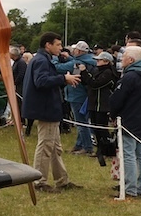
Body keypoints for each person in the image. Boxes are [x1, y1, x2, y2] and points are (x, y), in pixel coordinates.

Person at [22, 31, 83, 193]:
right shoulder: (42, 60)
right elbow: (41, 81)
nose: (60, 47)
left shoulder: (42, 59)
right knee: (46, 146)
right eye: (57, 44)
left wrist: (63, 79)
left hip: (48, 107)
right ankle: (39, 181)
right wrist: (64, 79)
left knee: (55, 147)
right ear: (47, 45)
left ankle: (62, 180)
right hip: (46, 108)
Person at [107, 45, 141, 198]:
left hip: (130, 119)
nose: (122, 59)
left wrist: (112, 113)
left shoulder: (130, 76)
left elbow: (118, 98)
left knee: (129, 155)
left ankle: (130, 188)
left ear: (131, 60)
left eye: (124, 57)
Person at [81, 50, 120, 162]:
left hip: (102, 105)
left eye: (99, 60)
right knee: (95, 127)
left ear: (106, 61)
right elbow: (89, 82)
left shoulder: (109, 73)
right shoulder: (97, 71)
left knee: (102, 129)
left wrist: (84, 73)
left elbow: (95, 84)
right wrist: (84, 75)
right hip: (93, 104)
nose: (97, 62)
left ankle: (107, 150)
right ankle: (100, 150)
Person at [63, 41, 98, 154]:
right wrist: (69, 58)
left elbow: (74, 76)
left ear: (78, 51)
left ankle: (87, 148)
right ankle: (79, 144)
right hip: (88, 95)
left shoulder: (78, 63)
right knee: (83, 121)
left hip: (77, 95)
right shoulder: (92, 61)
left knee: (81, 123)